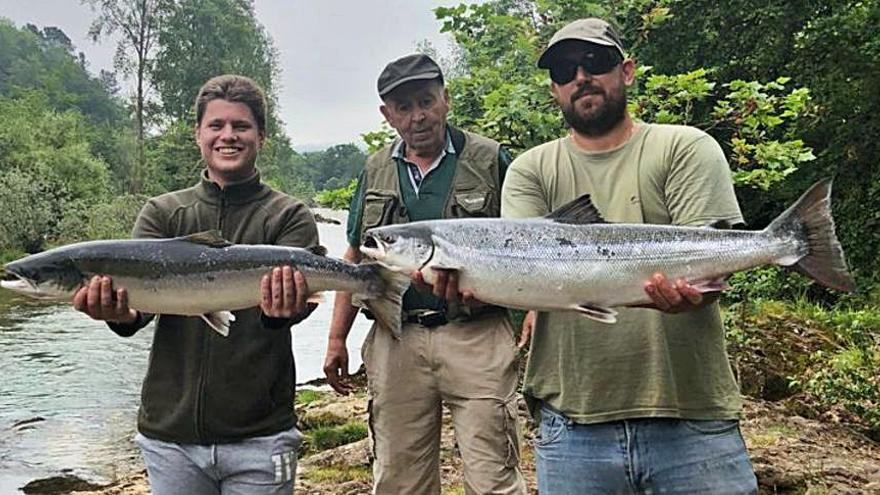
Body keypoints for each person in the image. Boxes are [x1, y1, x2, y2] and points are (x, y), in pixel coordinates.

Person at [501, 18, 759, 494]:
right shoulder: (528, 170)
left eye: (595, 61)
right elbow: (527, 270)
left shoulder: (685, 147)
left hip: (693, 416)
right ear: (554, 89)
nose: (581, 77)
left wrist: (697, 293)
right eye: (564, 70)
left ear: (627, 70)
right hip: (571, 422)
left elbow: (709, 262)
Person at [72, 74, 318, 494]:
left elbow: (293, 311)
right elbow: (138, 312)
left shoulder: (289, 215)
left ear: (261, 136)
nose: (228, 135)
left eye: (241, 126)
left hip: (260, 432)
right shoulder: (162, 213)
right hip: (171, 435)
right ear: (198, 134)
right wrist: (117, 315)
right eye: (216, 125)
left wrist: (285, 312)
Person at [322, 54, 527, 494]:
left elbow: (534, 247)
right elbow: (355, 255)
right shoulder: (375, 169)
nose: (418, 116)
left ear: (445, 100)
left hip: (477, 335)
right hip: (395, 339)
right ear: (388, 115)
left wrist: (533, 313)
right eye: (404, 107)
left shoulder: (491, 159)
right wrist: (337, 338)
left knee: (493, 476)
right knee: (399, 480)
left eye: (426, 101)